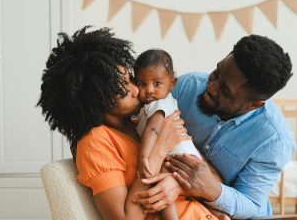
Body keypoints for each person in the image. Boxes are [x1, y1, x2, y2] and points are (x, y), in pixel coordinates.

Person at [37, 26, 225, 220]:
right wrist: (159, 149)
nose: (137, 90)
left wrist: (176, 184)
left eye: (130, 80)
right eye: (124, 91)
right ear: (98, 102)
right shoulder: (95, 142)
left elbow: (214, 179)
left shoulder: (143, 121)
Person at [134, 35, 295, 219]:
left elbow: (251, 204)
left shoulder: (274, 140)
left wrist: (205, 188)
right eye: (217, 72)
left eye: (225, 90)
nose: (211, 86)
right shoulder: (187, 86)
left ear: (254, 105)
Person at [134, 49, 203, 220]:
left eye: (157, 83)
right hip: (185, 158)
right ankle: (217, 212)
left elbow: (153, 130)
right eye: (142, 84)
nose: (149, 90)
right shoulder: (154, 105)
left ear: (172, 84)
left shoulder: (159, 104)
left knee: (160, 181)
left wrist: (143, 157)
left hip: (180, 158)